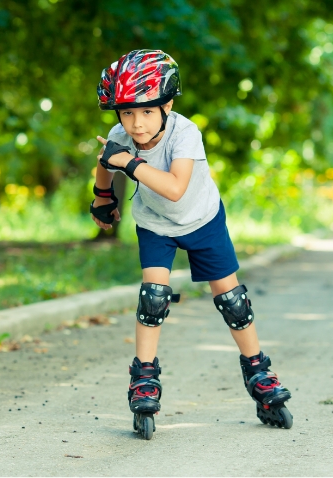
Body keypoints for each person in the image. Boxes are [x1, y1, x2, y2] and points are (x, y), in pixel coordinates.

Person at [90, 49, 292, 434]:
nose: (136, 124)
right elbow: (105, 161)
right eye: (127, 113)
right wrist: (103, 198)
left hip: (202, 218)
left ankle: (259, 372)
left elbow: (176, 189)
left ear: (167, 105)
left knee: (233, 301)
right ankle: (144, 378)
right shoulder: (121, 135)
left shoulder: (185, 134)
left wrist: (128, 164)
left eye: (147, 111)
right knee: (153, 296)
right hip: (155, 224)